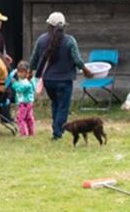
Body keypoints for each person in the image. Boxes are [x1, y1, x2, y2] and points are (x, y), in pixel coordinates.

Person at [29, 12, 93, 141]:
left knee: (56, 104)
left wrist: (31, 71)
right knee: (63, 107)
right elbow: (77, 59)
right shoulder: (69, 41)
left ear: (49, 25)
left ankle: (56, 129)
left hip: (48, 80)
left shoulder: (41, 40)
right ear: (64, 26)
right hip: (64, 80)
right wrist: (86, 70)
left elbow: (34, 59)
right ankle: (58, 132)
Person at [11, 61, 36, 137]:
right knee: (29, 118)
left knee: (20, 118)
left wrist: (14, 83)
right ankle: (31, 132)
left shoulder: (27, 82)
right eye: (19, 72)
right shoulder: (27, 81)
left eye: (22, 72)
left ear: (26, 72)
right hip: (28, 103)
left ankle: (24, 133)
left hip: (24, 103)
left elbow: (20, 89)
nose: (19, 74)